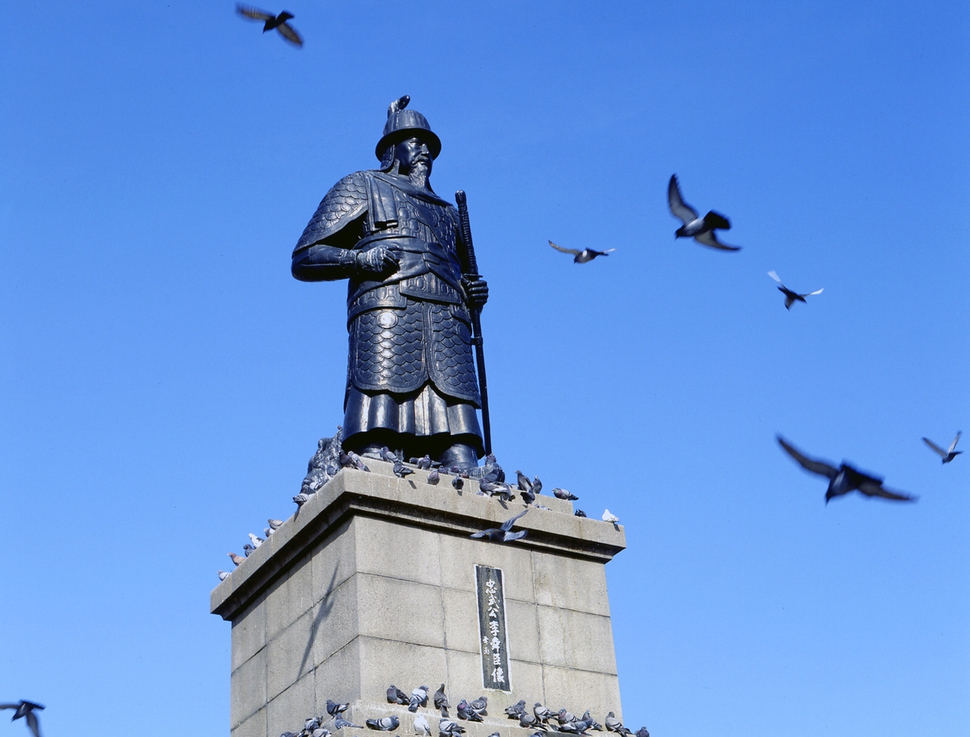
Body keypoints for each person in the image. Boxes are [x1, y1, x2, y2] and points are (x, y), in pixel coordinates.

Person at [291, 97, 488, 470]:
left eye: (429, 144)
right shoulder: (361, 185)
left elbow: (463, 275)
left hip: (448, 328)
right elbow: (305, 257)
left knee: (462, 455)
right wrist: (358, 259)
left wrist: (474, 293)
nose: (425, 150)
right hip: (390, 315)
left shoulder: (448, 212)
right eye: (414, 141)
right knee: (376, 443)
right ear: (393, 149)